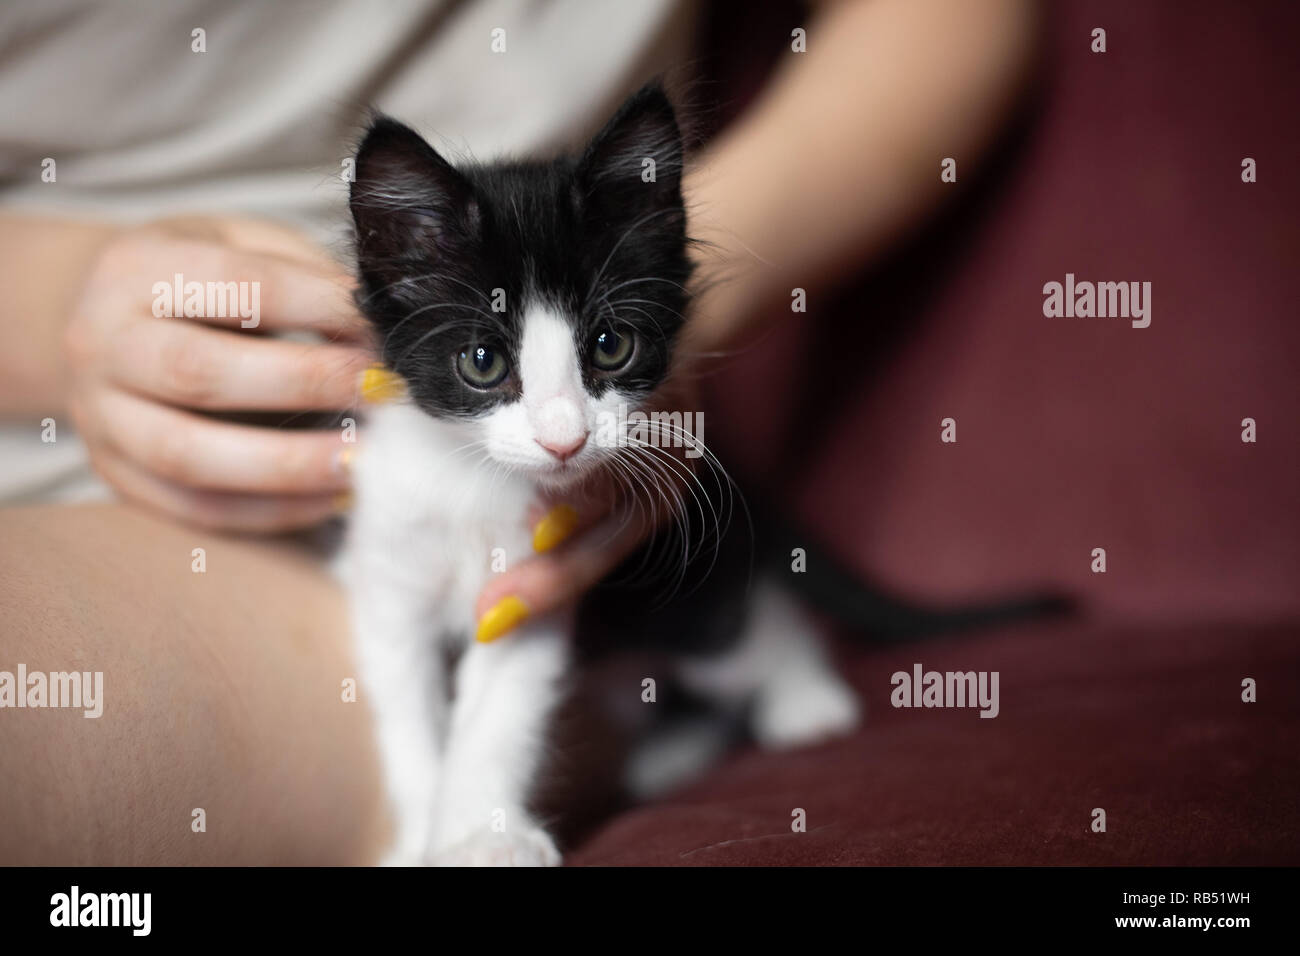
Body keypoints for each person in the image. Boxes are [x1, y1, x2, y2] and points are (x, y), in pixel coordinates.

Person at [0, 0, 1037, 863]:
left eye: (603, 362)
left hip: (572, 248)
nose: (556, 430)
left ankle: (699, 685)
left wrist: (672, 327)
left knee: (612, 597)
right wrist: (55, 312)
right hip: (74, 469)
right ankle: (635, 721)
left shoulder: (578, 366)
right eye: (491, 367)